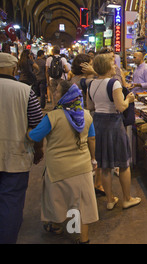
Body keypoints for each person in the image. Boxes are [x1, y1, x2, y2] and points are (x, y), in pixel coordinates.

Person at [27, 81, 98, 244]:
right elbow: (91, 138)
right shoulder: (86, 115)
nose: (54, 93)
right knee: (84, 204)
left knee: (57, 199)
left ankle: (57, 226)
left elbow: (34, 136)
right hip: (82, 166)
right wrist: (93, 159)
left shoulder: (53, 117)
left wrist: (27, 129)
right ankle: (84, 239)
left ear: (66, 96)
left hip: (58, 168)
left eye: (58, 91)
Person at [86, 54, 141, 210]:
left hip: (98, 123)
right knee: (123, 163)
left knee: (104, 165)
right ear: (107, 67)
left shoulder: (91, 84)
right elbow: (121, 107)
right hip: (113, 124)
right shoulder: (114, 83)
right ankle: (127, 198)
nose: (114, 67)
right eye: (112, 64)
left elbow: (90, 106)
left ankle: (110, 200)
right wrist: (129, 99)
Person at [0, 53, 43, 244]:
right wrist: (38, 150)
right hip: (16, 157)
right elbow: (37, 125)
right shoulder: (25, 91)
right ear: (12, 69)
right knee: (11, 204)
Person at [69, 53, 105, 196]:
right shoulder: (87, 80)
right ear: (84, 66)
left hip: (74, 118)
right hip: (88, 117)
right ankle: (97, 184)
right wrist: (94, 72)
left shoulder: (72, 79)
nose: (93, 66)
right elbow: (105, 81)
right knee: (95, 151)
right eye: (90, 63)